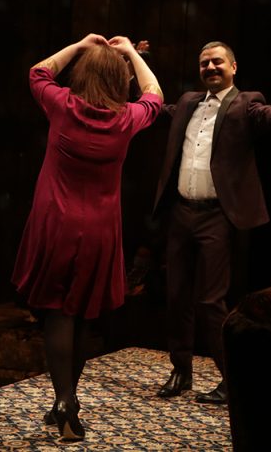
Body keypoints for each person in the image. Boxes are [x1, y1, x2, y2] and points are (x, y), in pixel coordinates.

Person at [11, 33, 163, 441]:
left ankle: (64, 400)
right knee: (81, 314)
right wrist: (130, 53)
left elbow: (38, 72)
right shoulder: (125, 120)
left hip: (57, 223)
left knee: (59, 311)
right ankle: (68, 399)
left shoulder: (62, 106)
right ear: (117, 80)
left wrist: (80, 45)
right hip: (99, 230)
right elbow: (155, 93)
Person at [153, 41, 271, 403]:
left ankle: (232, 379)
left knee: (210, 300)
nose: (210, 67)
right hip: (181, 212)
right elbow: (154, 108)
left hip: (215, 216)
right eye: (204, 63)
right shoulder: (188, 102)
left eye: (217, 62)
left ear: (233, 67)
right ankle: (181, 370)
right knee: (176, 295)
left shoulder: (246, 103)